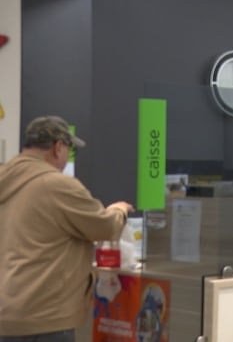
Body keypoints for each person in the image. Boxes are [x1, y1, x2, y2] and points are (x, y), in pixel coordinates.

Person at [0, 116, 135, 342]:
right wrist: (118, 210)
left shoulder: (6, 178)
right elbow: (104, 227)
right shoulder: (56, 185)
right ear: (58, 147)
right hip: (44, 317)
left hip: (7, 315)